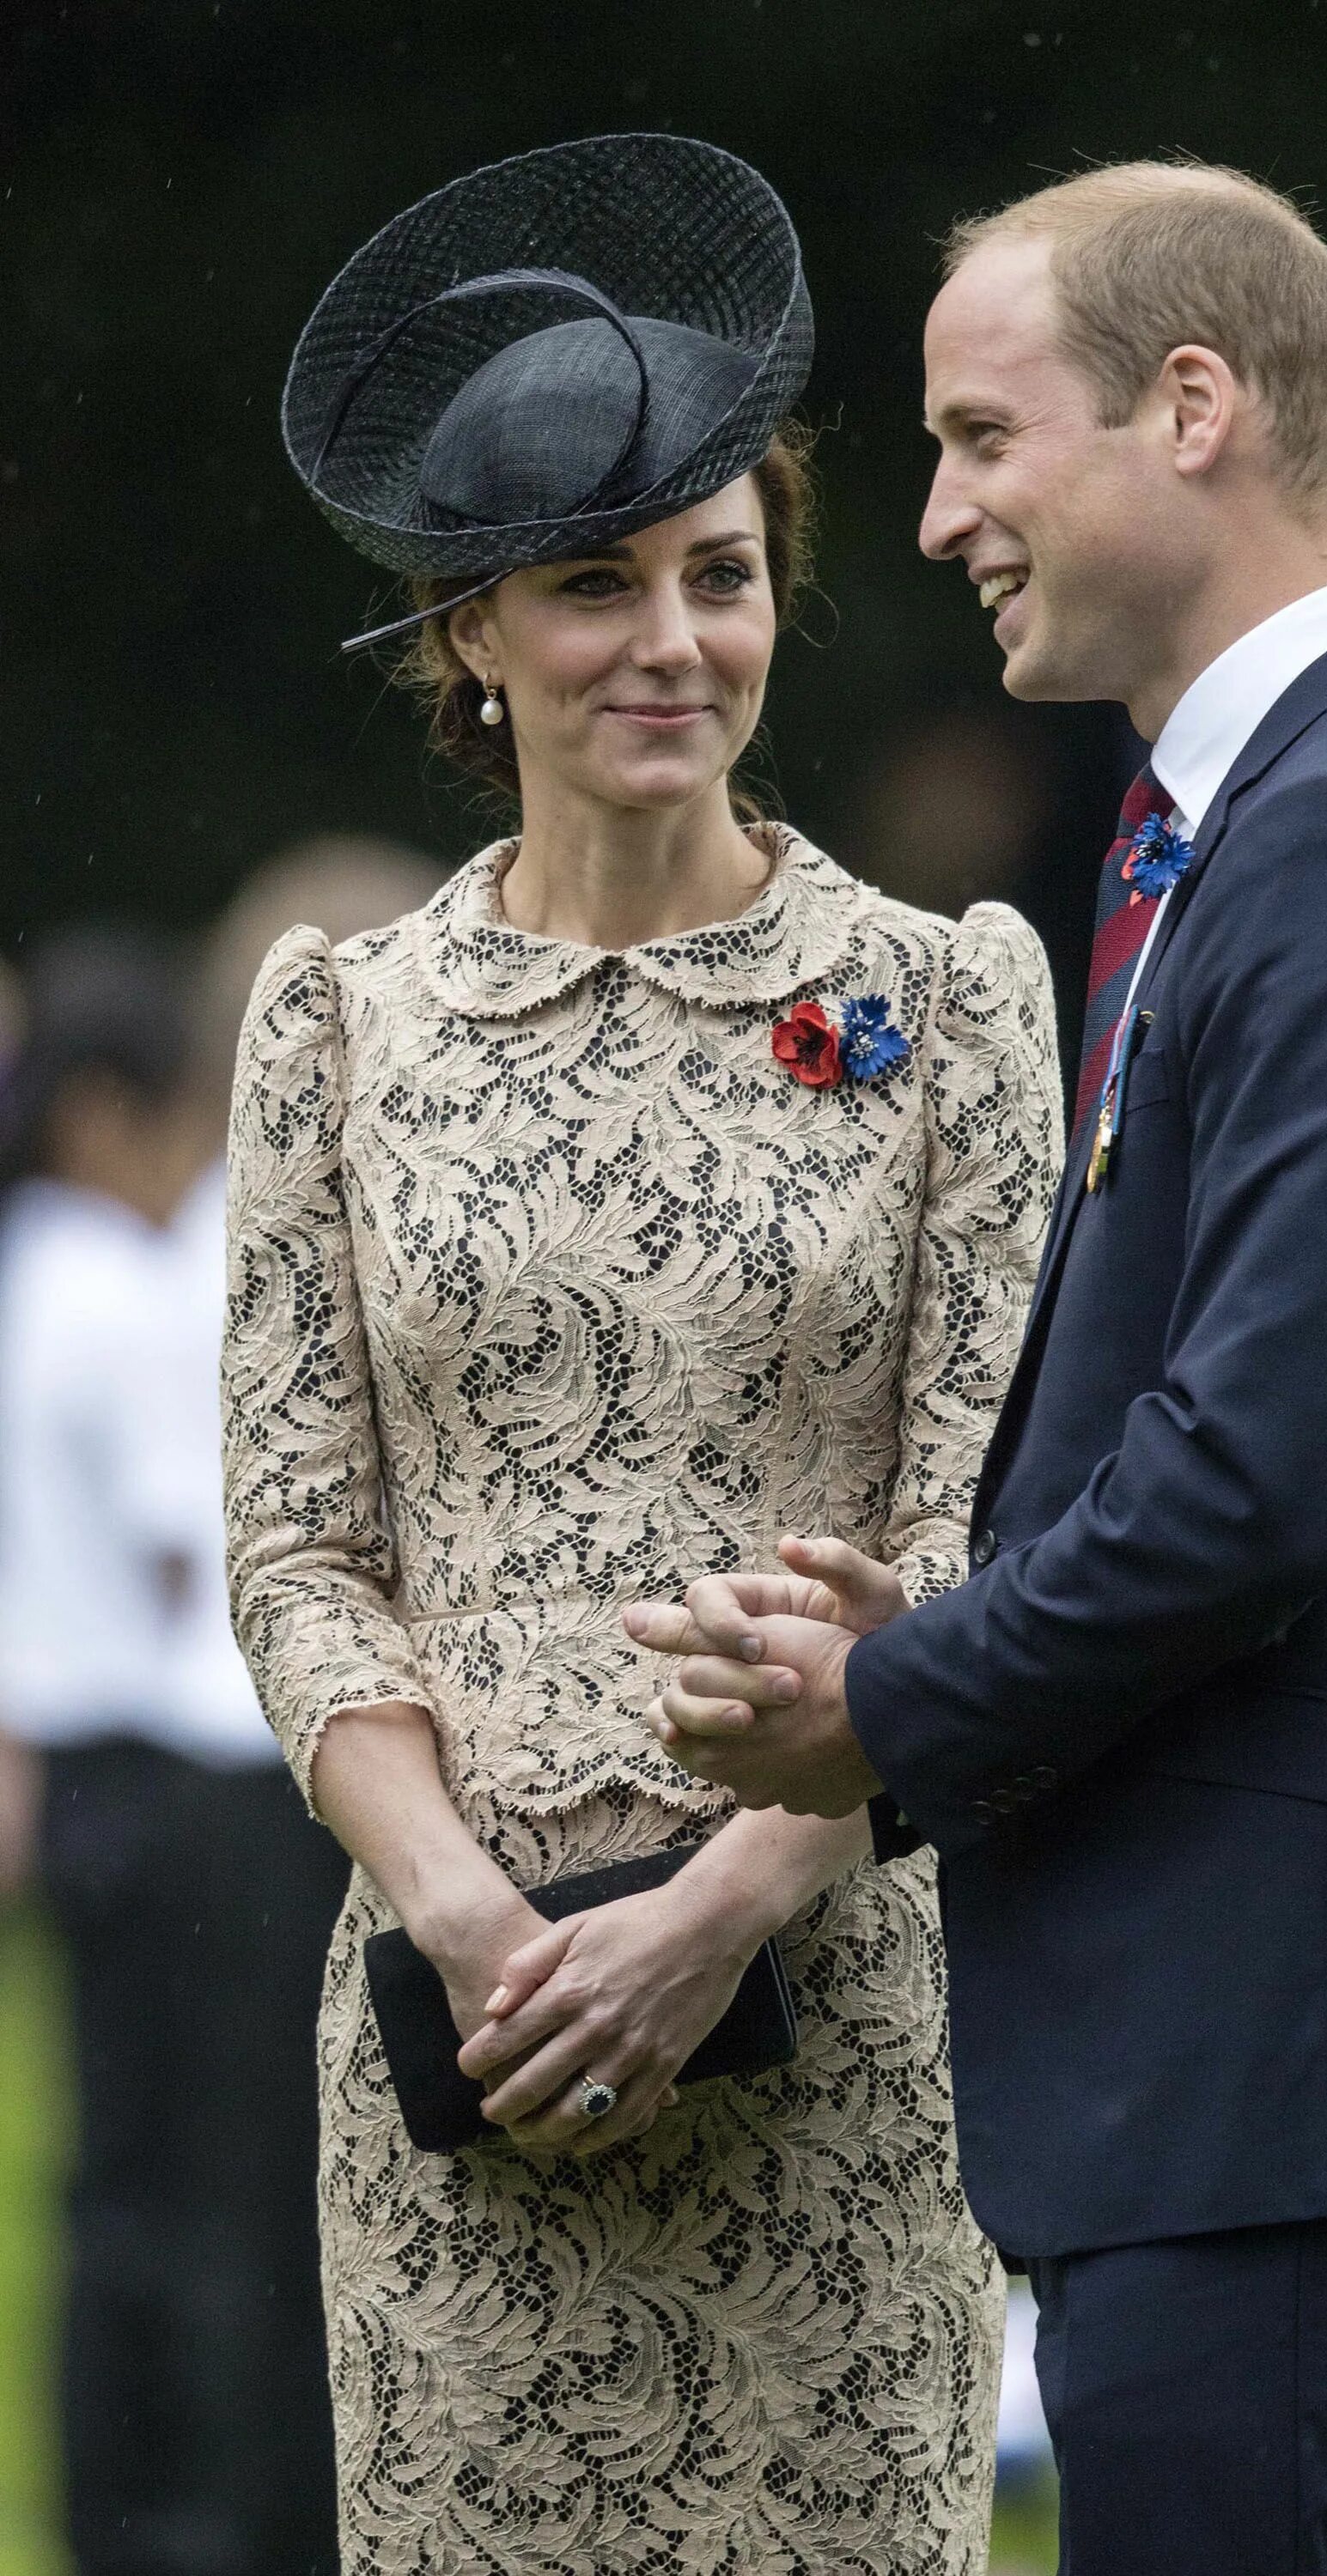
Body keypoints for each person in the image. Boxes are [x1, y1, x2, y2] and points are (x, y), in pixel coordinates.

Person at [631, 160, 1327, 2574]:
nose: (936, 515)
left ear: (1189, 407)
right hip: (1261, 2063)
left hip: (1291, 2056)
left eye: (985, 435)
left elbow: (1270, 1477)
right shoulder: (1285, 825)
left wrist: (888, 1708)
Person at [222, 134, 1061, 2575]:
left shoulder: (945, 999)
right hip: (461, 2058)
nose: (671, 641)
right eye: (596, 588)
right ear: (470, 634)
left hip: (841, 2050)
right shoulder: (338, 1023)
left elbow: (980, 1541)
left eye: (720, 576)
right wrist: (472, 1919)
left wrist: (724, 1913)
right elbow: (296, 1547)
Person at [0, 927, 345, 2576]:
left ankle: (121, 2513)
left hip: (99, 1765)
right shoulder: (124, 1279)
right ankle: (223, 2522)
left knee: (125, 2180)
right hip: (197, 1760)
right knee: (235, 2192)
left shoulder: (40, 1263)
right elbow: (191, 1539)